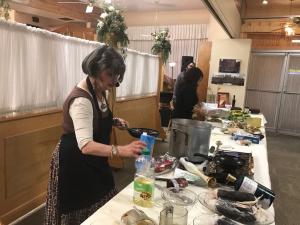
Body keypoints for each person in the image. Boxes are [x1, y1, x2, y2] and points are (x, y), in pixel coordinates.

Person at [44, 46, 146, 225]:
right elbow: (86, 145)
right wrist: (122, 150)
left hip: (94, 160)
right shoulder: (81, 100)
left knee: (102, 198)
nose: (114, 81)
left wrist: (113, 121)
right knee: (79, 207)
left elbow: (95, 116)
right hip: (75, 161)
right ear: (95, 70)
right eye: (110, 74)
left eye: (117, 75)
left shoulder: (99, 89)